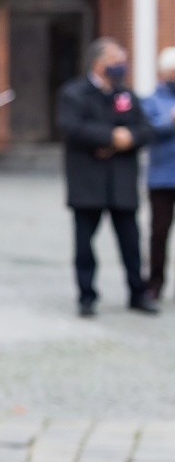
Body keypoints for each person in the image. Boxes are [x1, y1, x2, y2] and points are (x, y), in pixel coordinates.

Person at [57, 37, 157, 315]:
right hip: (88, 182)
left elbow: (145, 129)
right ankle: (87, 296)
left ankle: (138, 293)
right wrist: (111, 136)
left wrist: (128, 138)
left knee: (131, 243)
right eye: (116, 62)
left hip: (121, 182)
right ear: (99, 64)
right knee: (85, 245)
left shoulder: (125, 95)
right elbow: (72, 127)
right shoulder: (74, 93)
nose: (121, 67)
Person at [143, 46, 175, 300]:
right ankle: (155, 282)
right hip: (162, 177)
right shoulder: (152, 100)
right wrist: (170, 121)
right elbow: (148, 131)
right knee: (159, 232)